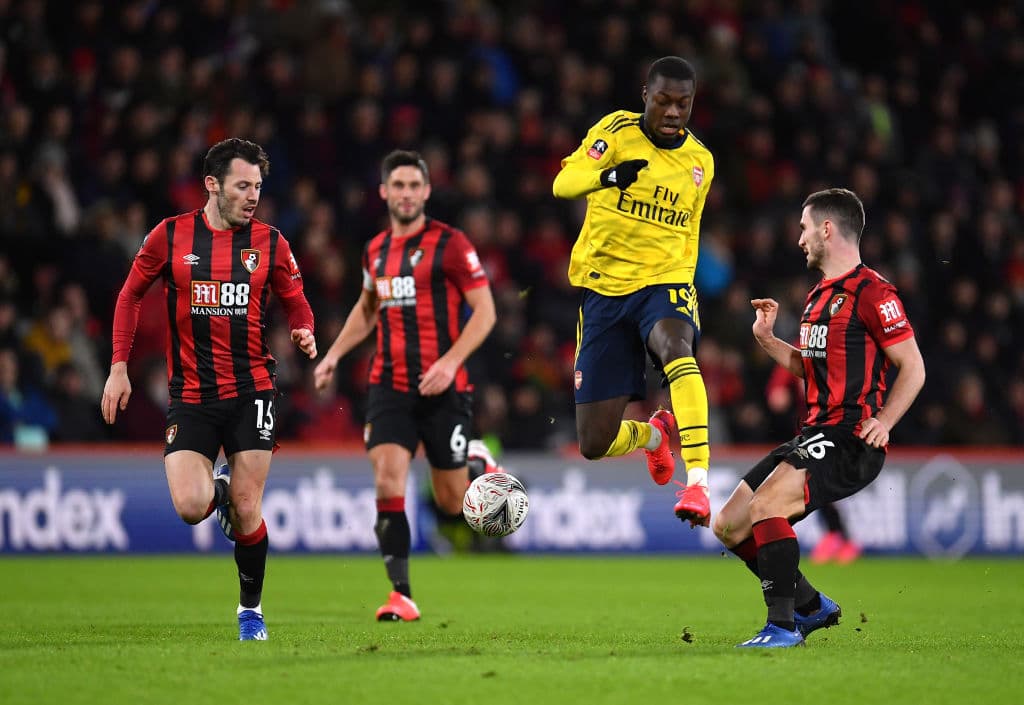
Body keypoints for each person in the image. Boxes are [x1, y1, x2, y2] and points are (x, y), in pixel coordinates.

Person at [100, 138, 317, 641]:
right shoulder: (170, 236)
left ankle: (251, 612)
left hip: (253, 390)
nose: (252, 196)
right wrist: (118, 367)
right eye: (243, 186)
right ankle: (217, 487)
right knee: (192, 507)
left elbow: (296, 299)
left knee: (247, 508)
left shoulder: (271, 242)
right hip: (192, 394)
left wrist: (304, 328)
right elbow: (129, 296)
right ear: (212, 185)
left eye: (258, 187)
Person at [713, 188, 925, 648]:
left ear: (828, 229)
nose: (800, 239)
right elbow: (809, 370)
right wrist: (767, 339)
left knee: (767, 505)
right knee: (728, 524)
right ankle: (811, 606)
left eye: (805, 228)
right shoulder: (815, 298)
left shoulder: (874, 293)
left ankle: (783, 626)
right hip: (812, 433)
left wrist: (885, 421)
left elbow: (914, 366)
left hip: (850, 438)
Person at [313, 150, 496, 621]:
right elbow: (368, 308)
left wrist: (451, 362)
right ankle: (402, 594)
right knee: (388, 478)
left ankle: (474, 458)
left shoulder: (451, 245)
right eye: (399, 185)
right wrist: (333, 354)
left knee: (455, 502)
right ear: (384, 192)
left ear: (427, 191)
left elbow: (486, 312)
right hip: (389, 385)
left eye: (415, 186)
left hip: (445, 388)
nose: (407, 194)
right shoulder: (375, 251)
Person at [552, 56, 715, 526]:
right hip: (604, 292)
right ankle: (654, 438)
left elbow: (690, 231)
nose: (672, 112)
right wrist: (607, 177)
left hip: (664, 284)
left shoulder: (700, 161)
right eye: (663, 100)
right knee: (593, 443)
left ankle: (700, 483)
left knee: (676, 349)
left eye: (682, 104)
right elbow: (564, 183)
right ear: (646, 95)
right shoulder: (617, 133)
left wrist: (683, 284)